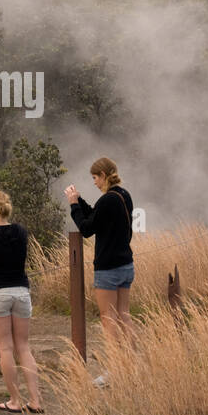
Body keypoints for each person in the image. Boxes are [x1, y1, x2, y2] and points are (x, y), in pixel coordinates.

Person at [65, 157, 134, 388]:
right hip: (126, 265)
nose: (94, 182)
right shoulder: (123, 195)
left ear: (103, 175)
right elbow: (96, 216)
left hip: (108, 268)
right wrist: (80, 200)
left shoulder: (107, 200)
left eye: (95, 177)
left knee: (108, 319)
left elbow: (86, 229)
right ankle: (130, 365)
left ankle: (114, 370)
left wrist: (74, 206)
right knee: (124, 315)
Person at [0, 189, 43, 413]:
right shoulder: (21, 232)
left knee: (5, 348)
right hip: (21, 290)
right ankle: (35, 401)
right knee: (24, 347)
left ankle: (14, 400)